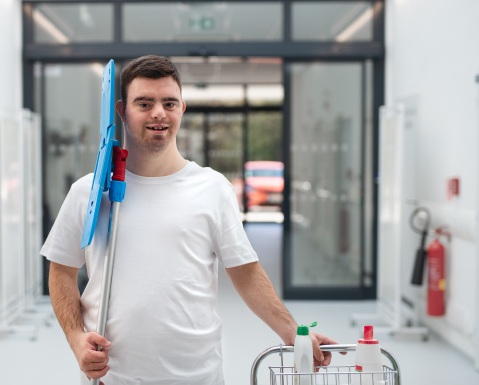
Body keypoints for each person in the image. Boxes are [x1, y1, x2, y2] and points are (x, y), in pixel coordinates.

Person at [41, 55, 338, 384]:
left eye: (169, 102)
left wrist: (291, 331)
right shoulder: (89, 192)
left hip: (198, 376)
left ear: (182, 108)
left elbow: (246, 272)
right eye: (145, 103)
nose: (159, 112)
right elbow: (61, 270)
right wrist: (75, 338)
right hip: (112, 378)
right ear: (123, 111)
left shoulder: (212, 188)